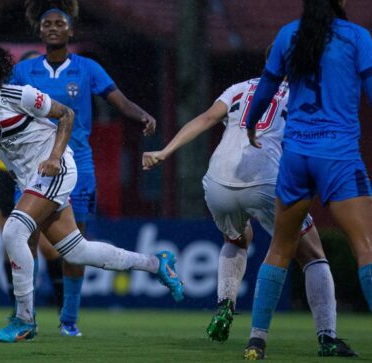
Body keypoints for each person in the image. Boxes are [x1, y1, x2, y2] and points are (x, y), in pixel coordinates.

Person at [242, 0, 372, 362]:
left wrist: (250, 125)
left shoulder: (287, 36)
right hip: (339, 158)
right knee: (368, 246)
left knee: (279, 248)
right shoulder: (355, 38)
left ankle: (255, 343)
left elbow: (264, 90)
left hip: (296, 157)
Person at [0, 43, 183, 343]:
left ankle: (24, 319)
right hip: (30, 180)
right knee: (77, 251)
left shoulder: (18, 95)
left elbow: (66, 114)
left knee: (14, 232)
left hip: (55, 169)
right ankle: (156, 263)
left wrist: (55, 157)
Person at [142, 67, 355, 356]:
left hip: (217, 180)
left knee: (237, 239)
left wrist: (164, 152)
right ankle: (327, 338)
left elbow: (205, 119)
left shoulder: (240, 87)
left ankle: (224, 304)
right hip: (266, 179)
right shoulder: (304, 94)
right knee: (313, 256)